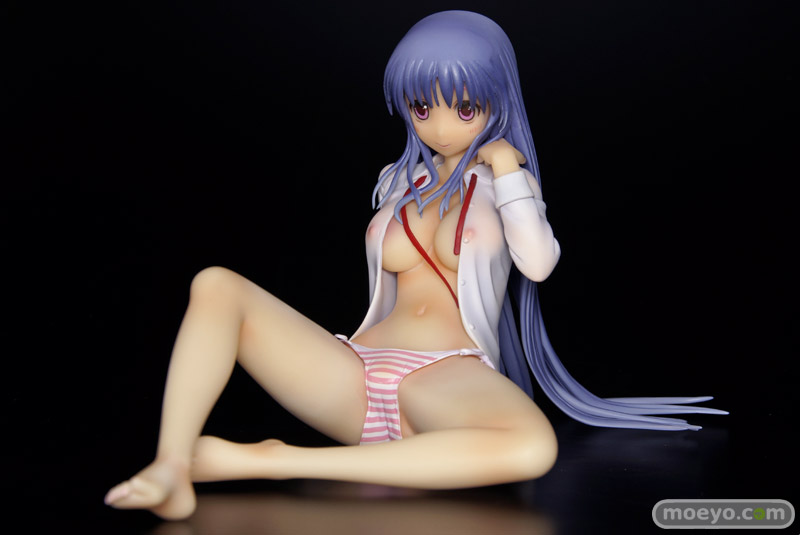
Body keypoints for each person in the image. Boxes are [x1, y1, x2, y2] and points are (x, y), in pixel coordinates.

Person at [104, 11, 724, 520]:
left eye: (464, 108)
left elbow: (538, 264)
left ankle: (267, 459)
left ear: (496, 100)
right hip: (353, 371)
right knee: (216, 285)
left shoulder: (505, 184)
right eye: (423, 109)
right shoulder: (398, 180)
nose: (442, 127)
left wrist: (507, 169)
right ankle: (170, 465)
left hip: (444, 379)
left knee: (532, 447)